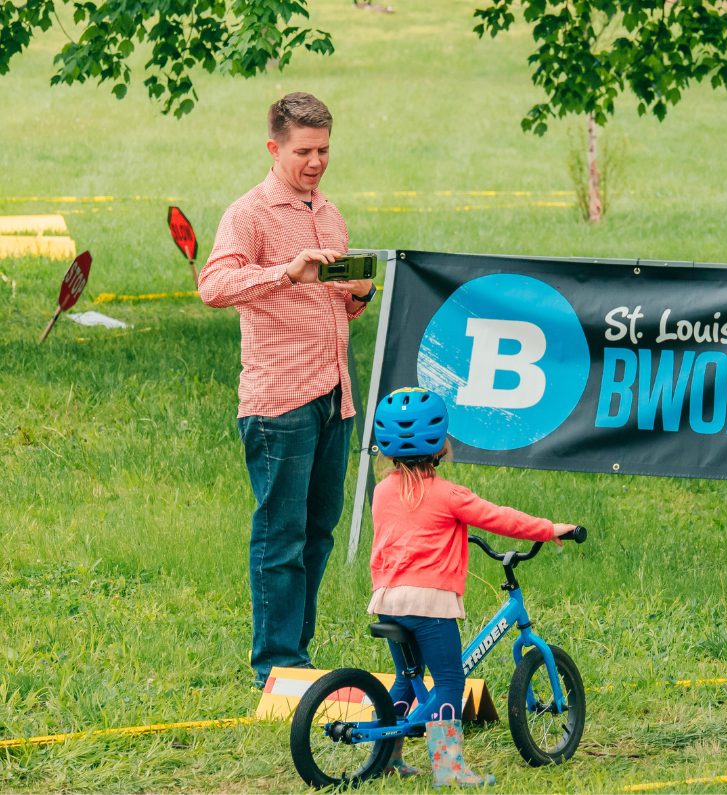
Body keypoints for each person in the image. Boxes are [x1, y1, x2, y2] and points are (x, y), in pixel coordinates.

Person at [198, 92, 377, 689]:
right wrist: (286, 271)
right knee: (281, 535)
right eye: (303, 151)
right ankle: (275, 666)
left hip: (334, 395)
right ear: (274, 148)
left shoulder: (330, 214)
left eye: (324, 149)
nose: (316, 161)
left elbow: (339, 309)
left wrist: (359, 293)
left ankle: (296, 655)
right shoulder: (248, 213)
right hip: (279, 401)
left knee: (318, 532)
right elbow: (214, 285)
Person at [369, 387, 576, 787]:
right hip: (429, 604)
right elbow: (500, 518)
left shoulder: (381, 492)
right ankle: (449, 768)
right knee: (449, 681)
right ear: (440, 446)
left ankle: (388, 756)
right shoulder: (449, 495)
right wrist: (548, 528)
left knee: (406, 678)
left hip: (388, 599)